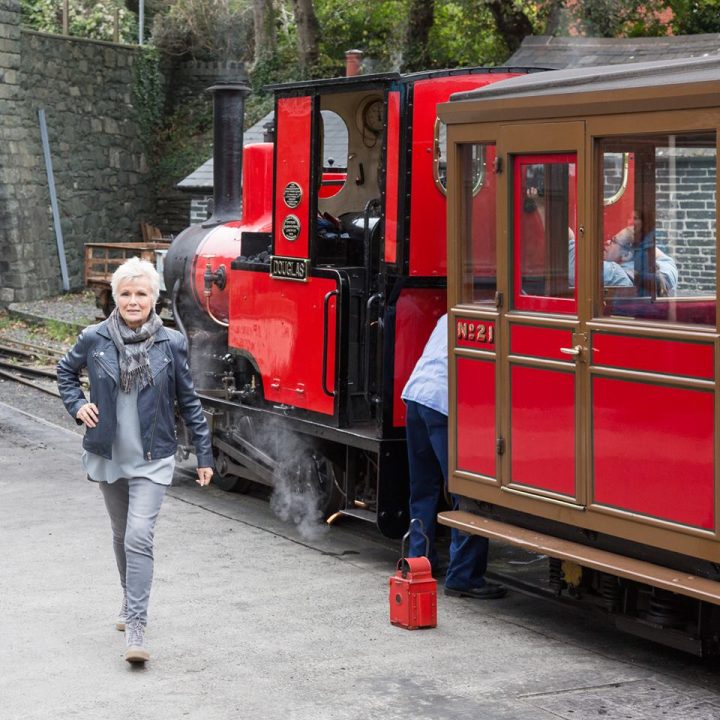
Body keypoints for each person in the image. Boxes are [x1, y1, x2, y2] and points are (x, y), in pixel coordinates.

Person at [57, 257, 214, 664]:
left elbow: (189, 401)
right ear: (115, 297)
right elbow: (65, 372)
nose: (132, 300)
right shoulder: (94, 338)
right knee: (120, 531)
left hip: (152, 457)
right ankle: (128, 599)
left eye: (140, 293)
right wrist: (78, 406)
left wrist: (204, 453)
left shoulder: (172, 343)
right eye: (125, 293)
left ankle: (137, 628)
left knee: (138, 536)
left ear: (153, 299)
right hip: (109, 454)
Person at [401, 313, 506, 600]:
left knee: (423, 490)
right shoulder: (494, 321)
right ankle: (464, 576)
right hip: (444, 405)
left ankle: (418, 561)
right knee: (469, 492)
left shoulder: (449, 316)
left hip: (416, 395)